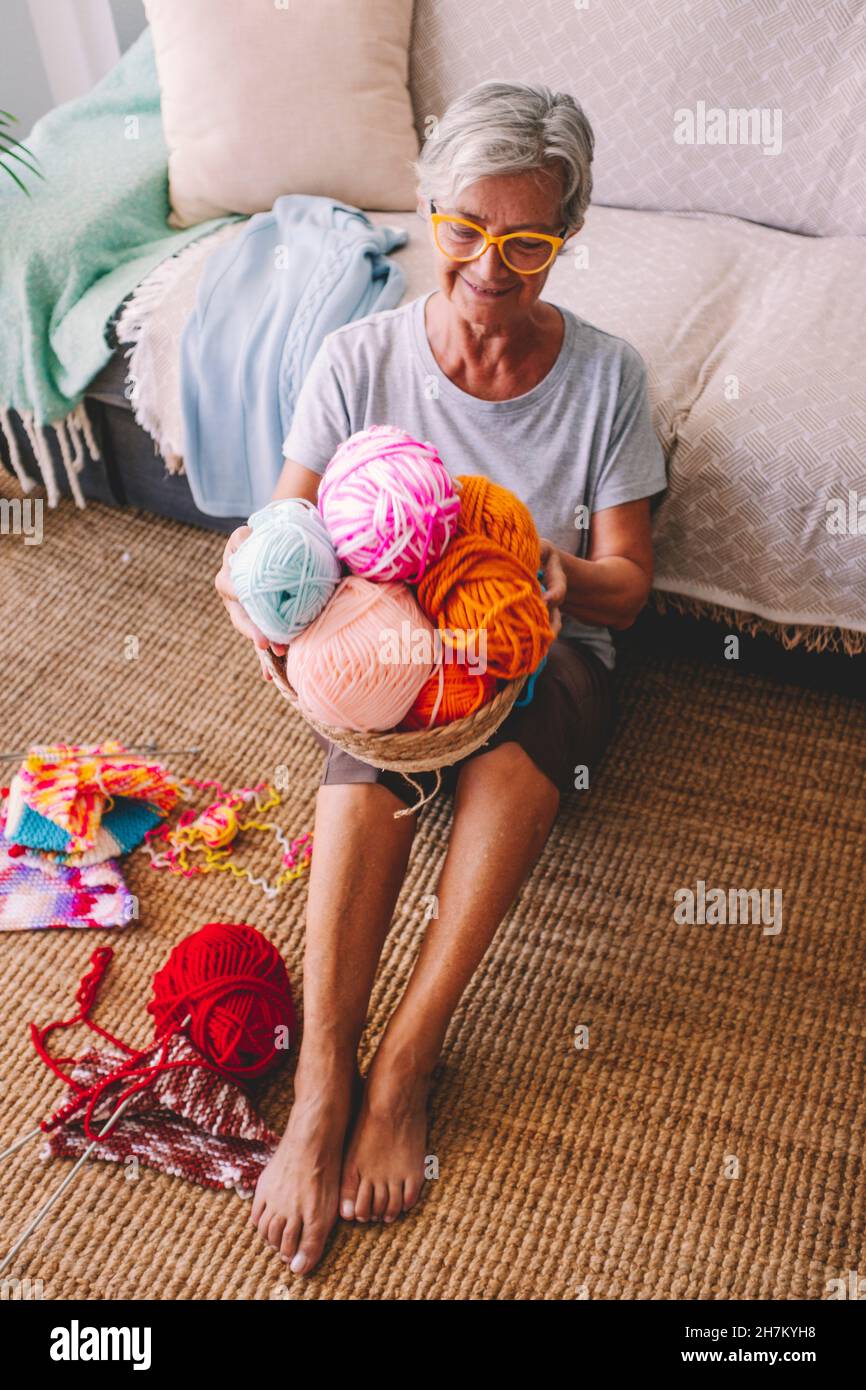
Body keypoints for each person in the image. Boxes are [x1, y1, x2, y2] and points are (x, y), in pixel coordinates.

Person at [215, 80, 667, 1275]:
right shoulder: (357, 360)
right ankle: (322, 1076)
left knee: (510, 767)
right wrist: (272, 606)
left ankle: (407, 1059)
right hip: (392, 649)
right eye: (464, 228)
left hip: (546, 648)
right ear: (426, 212)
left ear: (565, 233)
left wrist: (547, 575)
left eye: (527, 240)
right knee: (366, 756)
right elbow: (284, 536)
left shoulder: (607, 381)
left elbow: (631, 584)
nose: (489, 265)